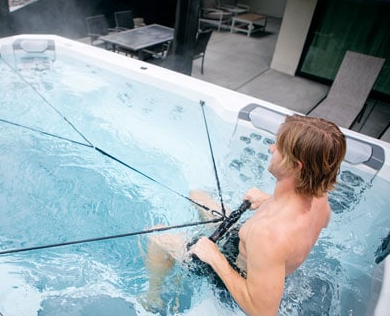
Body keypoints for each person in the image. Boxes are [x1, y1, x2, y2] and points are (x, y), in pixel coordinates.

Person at [142, 114, 347, 315]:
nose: (271, 148)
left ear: (295, 165)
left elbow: (263, 311)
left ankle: (152, 299)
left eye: (278, 148)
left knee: (157, 236)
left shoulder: (268, 234)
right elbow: (312, 220)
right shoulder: (320, 199)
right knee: (197, 196)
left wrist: (215, 258)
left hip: (236, 279)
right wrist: (268, 200)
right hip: (254, 256)